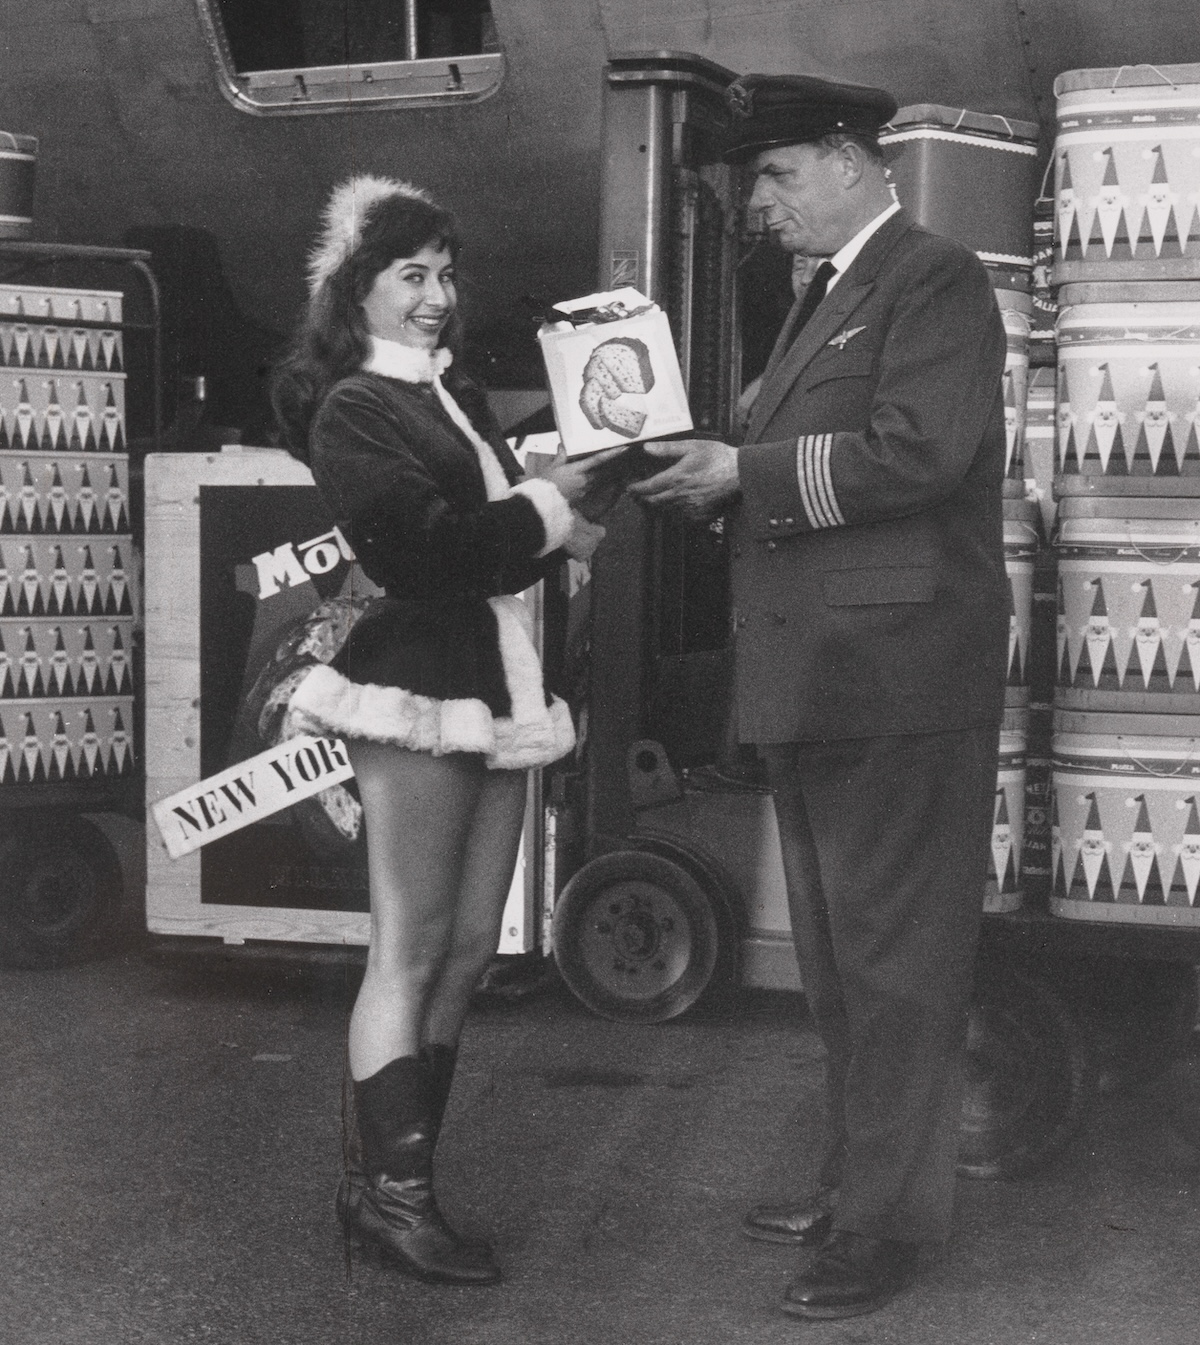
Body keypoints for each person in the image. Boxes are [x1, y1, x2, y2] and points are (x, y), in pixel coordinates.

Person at [628, 73, 1008, 1321]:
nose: (761, 205)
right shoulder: (826, 295)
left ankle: (887, 1225)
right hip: (822, 676)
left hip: (896, 679)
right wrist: (722, 471)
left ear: (849, 158)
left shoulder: (930, 277)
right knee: (843, 969)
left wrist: (748, 469)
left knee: (897, 969)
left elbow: (918, 451)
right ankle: (856, 1178)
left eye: (778, 175)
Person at [271, 175, 613, 1286]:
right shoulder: (357, 406)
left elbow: (495, 541)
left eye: (445, 274)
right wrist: (550, 506)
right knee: (409, 949)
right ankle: (398, 1204)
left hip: (497, 688)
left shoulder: (445, 392)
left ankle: (379, 1186)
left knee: (466, 952)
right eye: (410, 275)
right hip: (418, 687)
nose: (436, 295)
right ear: (355, 290)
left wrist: (567, 496)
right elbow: (425, 553)